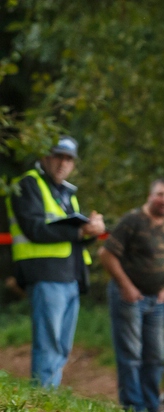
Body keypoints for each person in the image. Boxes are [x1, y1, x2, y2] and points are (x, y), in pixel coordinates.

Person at [4, 136, 105, 387]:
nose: (63, 163)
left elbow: (72, 236)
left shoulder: (67, 192)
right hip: (46, 274)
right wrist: (80, 232)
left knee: (61, 346)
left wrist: (91, 231)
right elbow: (34, 229)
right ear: (44, 157)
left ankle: (49, 396)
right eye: (58, 156)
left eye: (69, 159)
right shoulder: (27, 184)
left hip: (71, 276)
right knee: (49, 344)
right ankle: (42, 401)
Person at [99, 179, 164, 412]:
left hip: (157, 300)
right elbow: (106, 254)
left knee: (155, 355)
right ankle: (133, 407)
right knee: (131, 353)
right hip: (129, 296)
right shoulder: (132, 220)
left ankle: (152, 407)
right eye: (161, 194)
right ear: (150, 195)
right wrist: (126, 286)